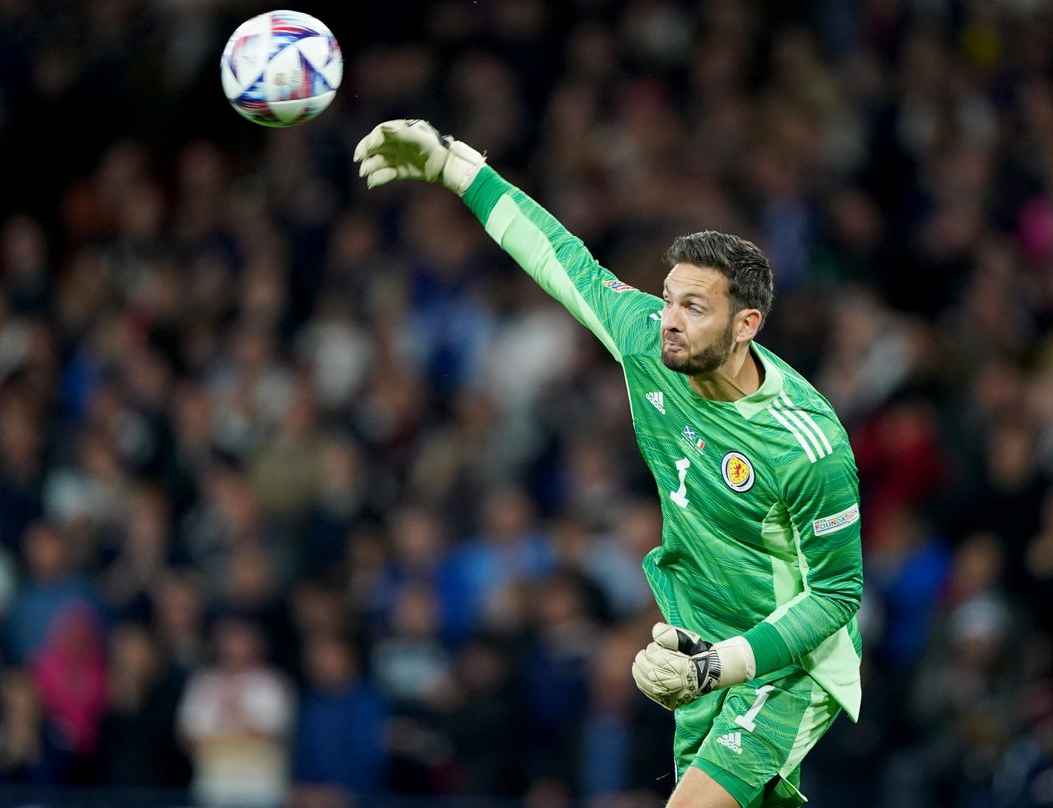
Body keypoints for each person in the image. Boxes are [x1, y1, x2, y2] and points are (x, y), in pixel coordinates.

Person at [354, 120, 864, 808]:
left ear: (746, 325)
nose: (669, 319)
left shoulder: (807, 445)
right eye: (669, 297)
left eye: (694, 306)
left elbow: (835, 597)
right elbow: (560, 260)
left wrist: (724, 665)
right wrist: (456, 169)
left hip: (785, 666)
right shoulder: (649, 342)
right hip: (695, 649)